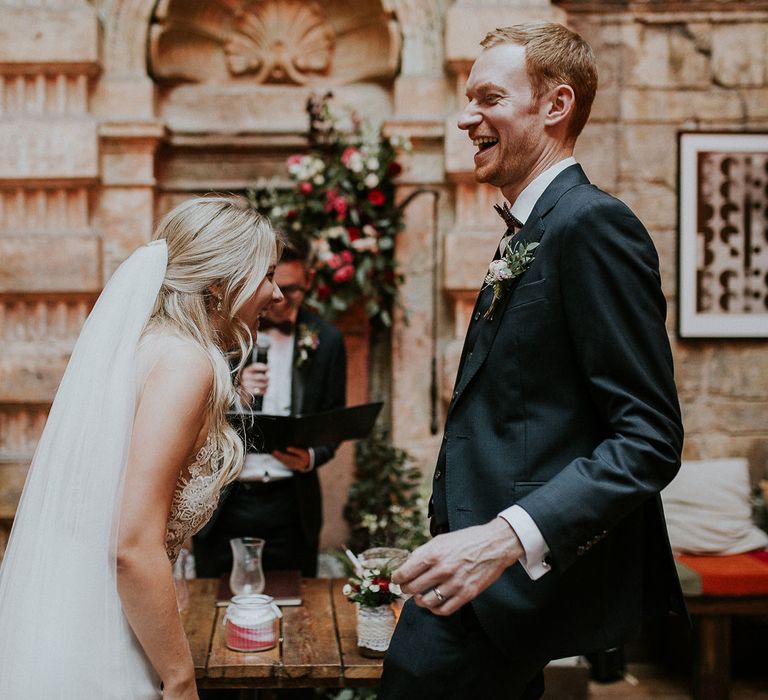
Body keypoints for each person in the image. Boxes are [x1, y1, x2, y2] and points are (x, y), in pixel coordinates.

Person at [380, 22, 685, 700]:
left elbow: (650, 439)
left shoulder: (591, 225)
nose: (467, 118)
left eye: (488, 97)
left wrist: (500, 541)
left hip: (508, 577)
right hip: (481, 582)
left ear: (556, 106)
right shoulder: (530, 231)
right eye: (467, 100)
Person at [0, 195, 282, 699]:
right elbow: (131, 544)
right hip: (99, 634)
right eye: (267, 275)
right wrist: (179, 678)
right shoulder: (186, 363)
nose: (277, 293)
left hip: (75, 612)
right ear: (219, 286)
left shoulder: (145, 346)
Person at [194, 232, 347, 579]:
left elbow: (332, 420)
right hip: (225, 502)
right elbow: (190, 417)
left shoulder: (327, 340)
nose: (282, 298)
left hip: (291, 504)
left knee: (296, 605)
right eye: (277, 286)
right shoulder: (220, 335)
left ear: (308, 279)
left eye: (293, 289)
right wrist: (234, 393)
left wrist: (311, 456)